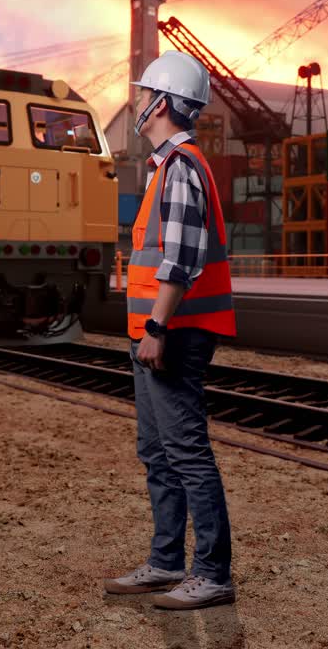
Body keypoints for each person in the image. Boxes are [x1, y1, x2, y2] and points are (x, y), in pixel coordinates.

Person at [102, 50, 238, 610]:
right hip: (154, 331)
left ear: (161, 103)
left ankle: (212, 574)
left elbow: (180, 260)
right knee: (156, 451)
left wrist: (156, 327)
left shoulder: (181, 167)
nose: (137, 101)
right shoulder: (165, 169)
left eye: (143, 94)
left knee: (185, 451)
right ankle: (165, 562)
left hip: (173, 332)